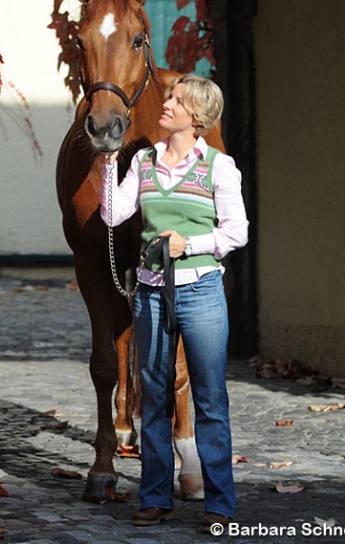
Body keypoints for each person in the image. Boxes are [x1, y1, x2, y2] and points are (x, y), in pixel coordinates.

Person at [100, 74, 248, 534]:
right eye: (169, 97)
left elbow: (236, 232)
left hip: (201, 291)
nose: (165, 104)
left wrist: (191, 242)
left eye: (176, 100)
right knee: (156, 398)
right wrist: (108, 162)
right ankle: (154, 497)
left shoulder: (219, 167)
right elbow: (113, 213)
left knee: (209, 398)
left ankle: (220, 505)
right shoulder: (143, 161)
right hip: (149, 293)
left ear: (197, 117)